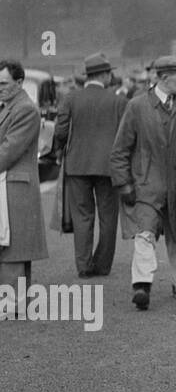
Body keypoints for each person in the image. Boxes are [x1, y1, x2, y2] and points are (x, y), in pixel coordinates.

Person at [109, 56, 176, 310]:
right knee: (144, 233)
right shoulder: (137, 106)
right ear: (163, 78)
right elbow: (120, 149)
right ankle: (141, 285)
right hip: (146, 185)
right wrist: (124, 184)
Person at [52, 52, 127, 277]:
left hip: (78, 165)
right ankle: (102, 265)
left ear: (88, 76)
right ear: (103, 75)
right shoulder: (119, 101)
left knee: (82, 215)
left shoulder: (70, 99)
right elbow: (125, 136)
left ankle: (84, 266)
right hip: (108, 166)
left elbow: (61, 130)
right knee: (108, 217)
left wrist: (59, 150)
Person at [0, 59, 50, 319]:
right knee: (11, 247)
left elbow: (9, 150)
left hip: (15, 186)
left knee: (13, 250)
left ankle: (12, 306)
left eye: (4, 83)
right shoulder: (9, 106)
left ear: (19, 83)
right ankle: (18, 303)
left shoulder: (25, 109)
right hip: (8, 184)